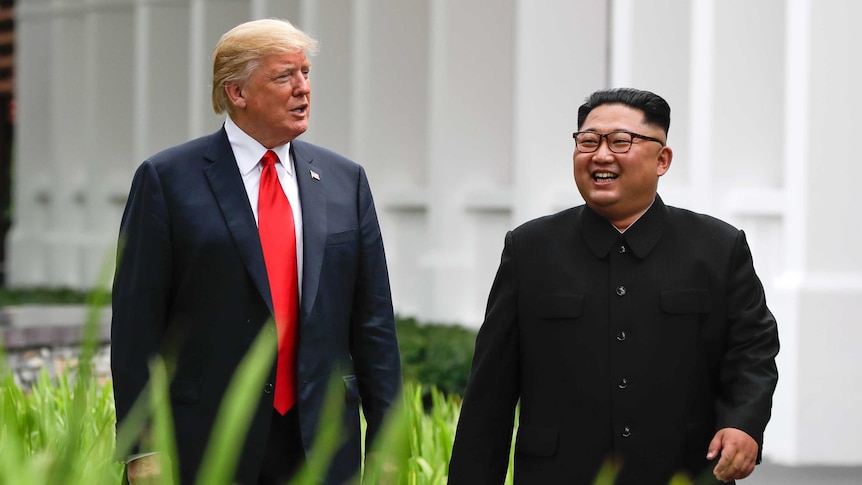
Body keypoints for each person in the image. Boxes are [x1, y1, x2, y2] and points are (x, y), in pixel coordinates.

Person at [111, 18, 401, 485]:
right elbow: (136, 327)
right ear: (237, 92)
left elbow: (373, 326)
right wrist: (144, 448)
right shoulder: (167, 180)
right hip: (207, 444)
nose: (303, 89)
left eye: (306, 73)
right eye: (284, 76)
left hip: (322, 446)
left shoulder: (347, 181)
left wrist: (387, 447)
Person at [448, 87, 779, 485]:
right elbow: (491, 391)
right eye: (588, 141)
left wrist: (744, 423)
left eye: (621, 142)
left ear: (662, 159)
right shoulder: (530, 250)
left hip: (681, 471)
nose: (601, 155)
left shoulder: (717, 248)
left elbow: (752, 349)